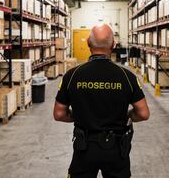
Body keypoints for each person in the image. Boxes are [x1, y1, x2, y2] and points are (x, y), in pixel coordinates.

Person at [53, 24, 150, 178]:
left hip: (84, 148)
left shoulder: (72, 75)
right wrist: (126, 116)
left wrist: (79, 116)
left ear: (88, 44)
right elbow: (143, 113)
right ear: (113, 45)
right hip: (116, 149)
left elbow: (59, 114)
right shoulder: (127, 76)